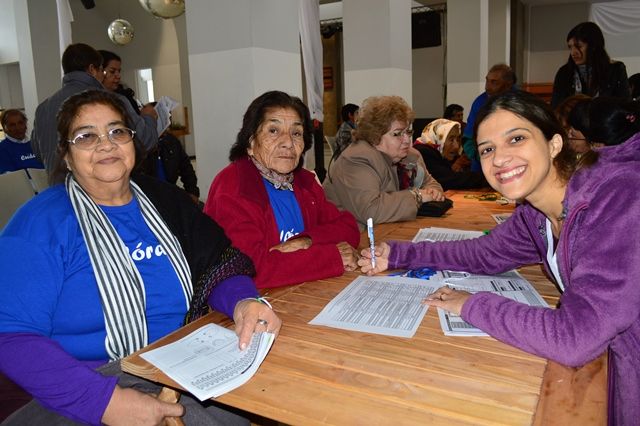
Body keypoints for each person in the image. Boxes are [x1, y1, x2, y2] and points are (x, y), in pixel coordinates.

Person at [359, 90, 640, 426]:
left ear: (554, 144)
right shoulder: (535, 212)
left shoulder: (619, 197)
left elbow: (575, 338)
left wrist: (471, 304)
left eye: (516, 139)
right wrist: (400, 253)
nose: (500, 158)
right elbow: (483, 254)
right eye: (487, 149)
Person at [0, 90, 281, 425]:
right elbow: (10, 337)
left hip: (181, 368)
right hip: (85, 386)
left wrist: (244, 302)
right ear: (67, 155)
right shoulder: (39, 224)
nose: (106, 144)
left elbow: (219, 264)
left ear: (132, 142)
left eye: (117, 132)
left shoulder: (167, 202)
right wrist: (106, 403)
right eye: (86, 136)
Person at [204, 91, 360, 289]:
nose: (288, 142)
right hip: (256, 301)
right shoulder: (234, 186)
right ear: (251, 143)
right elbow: (248, 268)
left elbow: (348, 227)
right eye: (273, 130)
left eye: (296, 133)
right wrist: (332, 256)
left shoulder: (304, 181)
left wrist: (306, 241)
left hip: (303, 289)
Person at [31, 43, 158, 178]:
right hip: (102, 185)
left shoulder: (43, 108)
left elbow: (39, 153)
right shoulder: (110, 101)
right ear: (92, 69)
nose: (103, 76)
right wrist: (149, 117)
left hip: (58, 186)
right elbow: (145, 141)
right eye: (102, 70)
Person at [323, 95, 445, 229]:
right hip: (352, 236)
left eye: (408, 132)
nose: (407, 140)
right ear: (375, 136)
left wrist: (433, 192)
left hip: (391, 230)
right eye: (397, 134)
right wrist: (417, 196)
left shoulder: (409, 155)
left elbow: (432, 184)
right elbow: (371, 210)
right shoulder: (356, 160)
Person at [551, 21, 630, 108]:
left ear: (593, 46)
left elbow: (626, 106)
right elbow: (556, 108)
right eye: (570, 47)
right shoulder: (564, 73)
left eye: (579, 46)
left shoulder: (615, 69)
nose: (573, 52)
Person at [140, 102, 200, 203]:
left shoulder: (171, 141)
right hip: (148, 197)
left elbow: (186, 168)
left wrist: (192, 192)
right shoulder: (139, 145)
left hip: (170, 192)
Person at [462, 63, 516, 171]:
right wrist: (482, 156)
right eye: (487, 81)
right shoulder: (479, 102)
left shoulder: (521, 102)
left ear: (508, 85)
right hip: (482, 166)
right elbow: (468, 138)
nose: (487, 87)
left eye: (494, 82)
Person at [413, 119, 487, 190]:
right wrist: (486, 177)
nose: (456, 146)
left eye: (457, 139)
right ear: (438, 137)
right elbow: (450, 180)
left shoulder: (442, 152)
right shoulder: (423, 152)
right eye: (451, 140)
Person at [0, 109, 44, 173]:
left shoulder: (37, 145)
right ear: (4, 128)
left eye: (20, 123)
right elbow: (9, 175)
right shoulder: (2, 149)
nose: (18, 128)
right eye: (12, 125)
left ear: (25, 125)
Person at [99, 49, 142, 114]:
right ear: (99, 71)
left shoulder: (124, 97)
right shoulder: (91, 98)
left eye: (119, 71)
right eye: (112, 71)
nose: (118, 76)